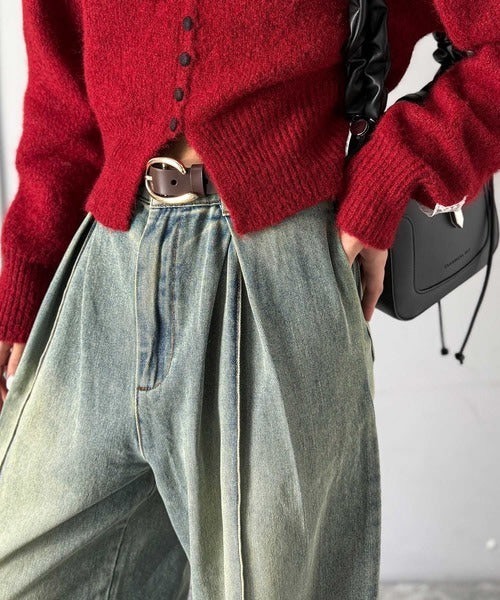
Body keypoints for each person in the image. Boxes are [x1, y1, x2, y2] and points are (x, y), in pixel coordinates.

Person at [0, 1, 497, 598]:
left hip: (276, 273)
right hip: (103, 267)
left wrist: (394, 170)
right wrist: (27, 272)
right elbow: (61, 96)